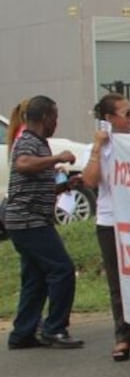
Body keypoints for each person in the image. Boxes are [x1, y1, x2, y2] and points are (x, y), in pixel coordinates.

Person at [5, 95, 84, 350]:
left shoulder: (38, 142)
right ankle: (54, 329)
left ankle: (23, 333)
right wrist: (57, 158)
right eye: (55, 117)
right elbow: (23, 164)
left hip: (25, 220)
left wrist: (65, 186)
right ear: (45, 118)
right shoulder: (28, 141)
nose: (56, 123)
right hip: (29, 222)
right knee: (62, 270)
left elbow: (34, 185)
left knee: (35, 277)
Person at [83, 94, 130, 361]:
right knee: (118, 282)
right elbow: (90, 181)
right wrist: (96, 148)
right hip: (110, 220)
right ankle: (122, 337)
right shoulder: (100, 147)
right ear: (109, 119)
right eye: (126, 114)